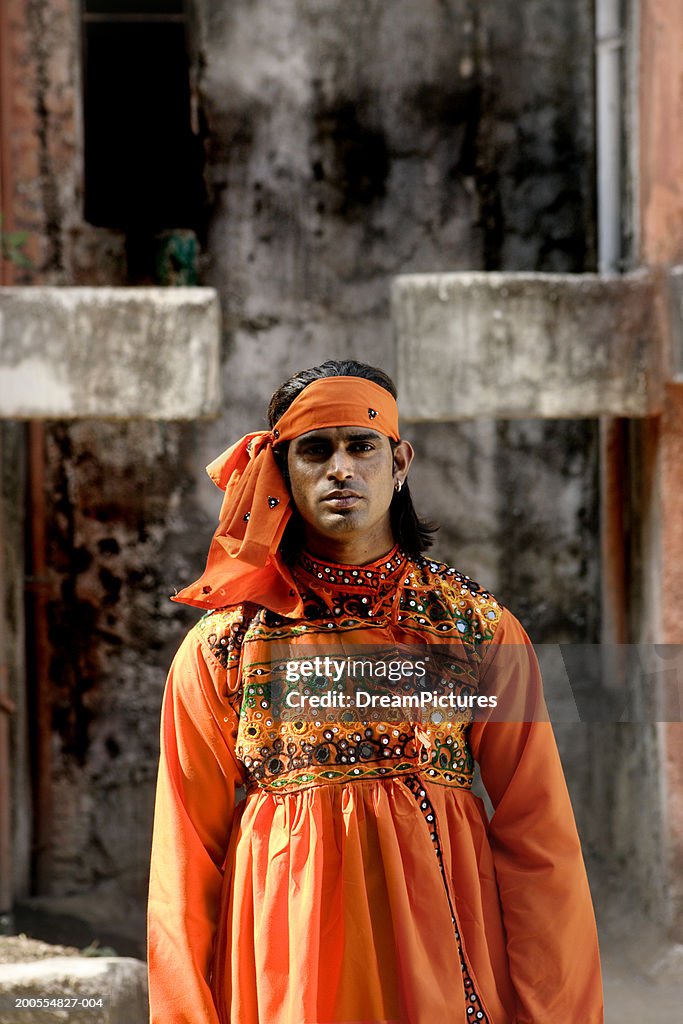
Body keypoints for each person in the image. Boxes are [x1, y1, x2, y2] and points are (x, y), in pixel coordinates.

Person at [147, 359, 604, 1024]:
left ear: (399, 461)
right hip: (286, 961)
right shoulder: (223, 646)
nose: (340, 469)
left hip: (440, 961)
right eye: (314, 449)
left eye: (360, 446)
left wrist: (552, 1010)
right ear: (279, 469)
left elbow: (540, 837)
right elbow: (184, 861)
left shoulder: (472, 628)